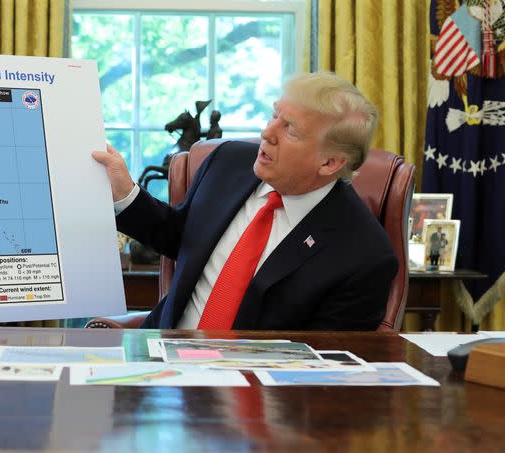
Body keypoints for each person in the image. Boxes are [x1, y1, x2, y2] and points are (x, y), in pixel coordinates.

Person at [92, 72, 397, 330]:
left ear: (330, 163)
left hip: (256, 389)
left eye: (290, 129)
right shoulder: (228, 162)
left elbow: (323, 371)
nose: (267, 132)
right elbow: (179, 236)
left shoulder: (364, 255)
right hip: (163, 360)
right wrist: (125, 193)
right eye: (274, 115)